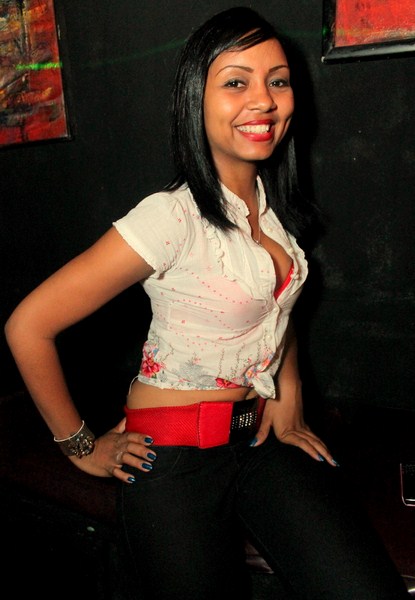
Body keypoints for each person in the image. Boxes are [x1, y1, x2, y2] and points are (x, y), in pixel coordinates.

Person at [4, 7, 410, 600]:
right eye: (236, 82)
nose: (263, 100)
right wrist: (80, 446)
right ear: (196, 99)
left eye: (277, 80)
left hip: (257, 442)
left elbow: (277, 308)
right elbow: (28, 325)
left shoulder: (272, 210)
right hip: (170, 458)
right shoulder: (171, 217)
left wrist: (289, 392)